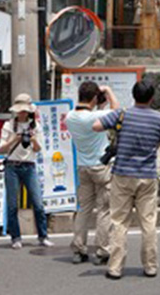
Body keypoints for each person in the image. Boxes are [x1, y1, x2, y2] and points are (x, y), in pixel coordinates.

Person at [93, 80, 160, 280]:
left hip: (122, 175)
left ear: (133, 96)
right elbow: (159, 142)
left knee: (119, 222)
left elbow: (96, 125)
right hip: (147, 175)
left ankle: (115, 267)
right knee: (148, 223)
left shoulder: (122, 114)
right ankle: (150, 266)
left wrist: (100, 104)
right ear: (152, 98)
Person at [66, 82, 119, 265]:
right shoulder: (95, 116)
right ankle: (103, 250)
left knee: (84, 210)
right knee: (104, 209)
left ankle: (79, 249)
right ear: (95, 98)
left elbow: (87, 113)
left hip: (83, 168)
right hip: (101, 167)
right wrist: (109, 91)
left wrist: (98, 104)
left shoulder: (70, 117)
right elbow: (117, 112)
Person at [0, 93, 53, 250]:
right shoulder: (8, 125)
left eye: (24, 110)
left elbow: (37, 149)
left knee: (38, 203)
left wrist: (33, 138)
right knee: (12, 205)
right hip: (12, 166)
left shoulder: (35, 126)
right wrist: (15, 139)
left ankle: (43, 236)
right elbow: (0, 148)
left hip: (29, 166)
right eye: (19, 110)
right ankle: (15, 237)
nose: (21, 113)